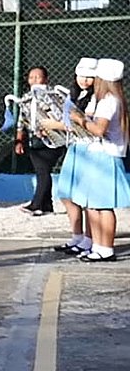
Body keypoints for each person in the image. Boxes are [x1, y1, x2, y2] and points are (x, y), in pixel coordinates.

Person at [48, 57, 130, 262]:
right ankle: (97, 245)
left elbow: (99, 129)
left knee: (103, 206)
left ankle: (106, 248)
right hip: (97, 153)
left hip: (105, 155)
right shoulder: (104, 100)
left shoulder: (110, 101)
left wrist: (79, 119)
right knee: (93, 205)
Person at [50, 58, 99, 257]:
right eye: (81, 75)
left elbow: (85, 125)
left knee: (86, 198)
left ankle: (89, 240)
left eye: (89, 76)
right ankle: (77, 236)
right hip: (74, 148)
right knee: (66, 194)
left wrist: (55, 126)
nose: (84, 80)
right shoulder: (75, 95)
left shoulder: (97, 98)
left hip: (90, 149)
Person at [16, 65, 67, 215]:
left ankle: (36, 204)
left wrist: (49, 129)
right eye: (31, 77)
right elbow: (21, 120)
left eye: (38, 77)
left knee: (42, 170)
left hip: (54, 139)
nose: (34, 80)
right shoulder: (26, 98)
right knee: (43, 171)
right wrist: (19, 140)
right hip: (35, 140)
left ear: (45, 79)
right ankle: (47, 205)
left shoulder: (53, 96)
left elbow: (60, 116)